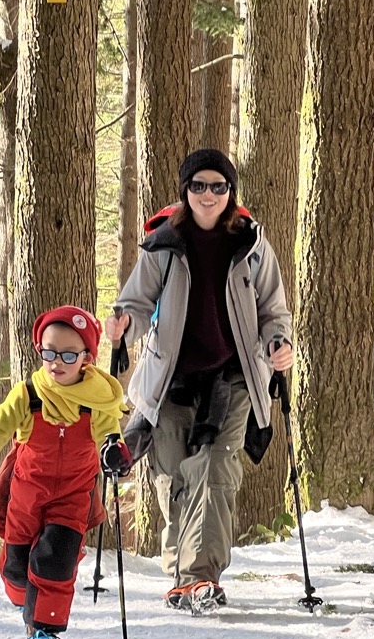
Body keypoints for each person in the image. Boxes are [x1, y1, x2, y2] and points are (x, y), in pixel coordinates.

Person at [105, 148, 294, 613]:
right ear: (185, 191)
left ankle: (200, 577)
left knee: (215, 469)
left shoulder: (250, 244)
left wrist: (279, 342)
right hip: (170, 379)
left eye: (218, 186)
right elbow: (134, 301)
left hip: (233, 376)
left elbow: (274, 310)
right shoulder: (164, 244)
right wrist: (122, 324)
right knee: (172, 477)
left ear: (230, 193)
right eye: (198, 186)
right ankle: (181, 575)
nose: (208, 195)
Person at [0, 305, 131, 639]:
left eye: (68, 354)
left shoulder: (98, 401)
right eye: (48, 352)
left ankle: (45, 633)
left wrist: (113, 450)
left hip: (72, 496)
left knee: (54, 559)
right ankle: (26, 604)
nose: (56, 362)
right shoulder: (28, 394)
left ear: (86, 358)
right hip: (26, 496)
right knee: (17, 570)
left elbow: (110, 432)